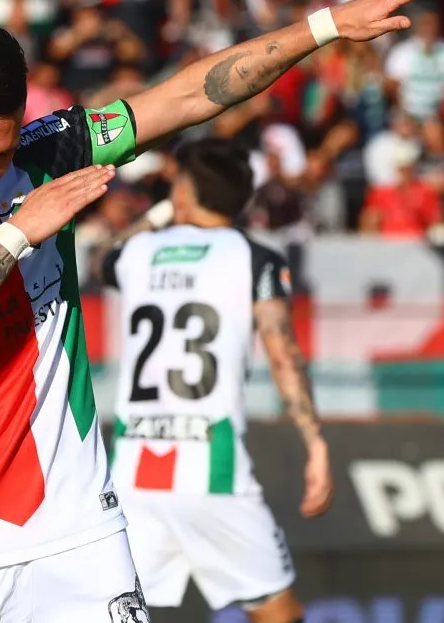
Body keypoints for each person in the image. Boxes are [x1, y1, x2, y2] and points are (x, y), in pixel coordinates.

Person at [0, 0, 444, 622]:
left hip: (79, 531)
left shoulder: (48, 151)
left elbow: (187, 97)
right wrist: (13, 237)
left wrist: (325, 27)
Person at [98, 138, 327, 623]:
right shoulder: (255, 259)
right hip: (213, 470)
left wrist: (159, 216)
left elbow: (103, 257)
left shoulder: (139, 252)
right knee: (278, 614)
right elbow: (283, 356)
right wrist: (316, 443)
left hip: (136, 472)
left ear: (182, 192)